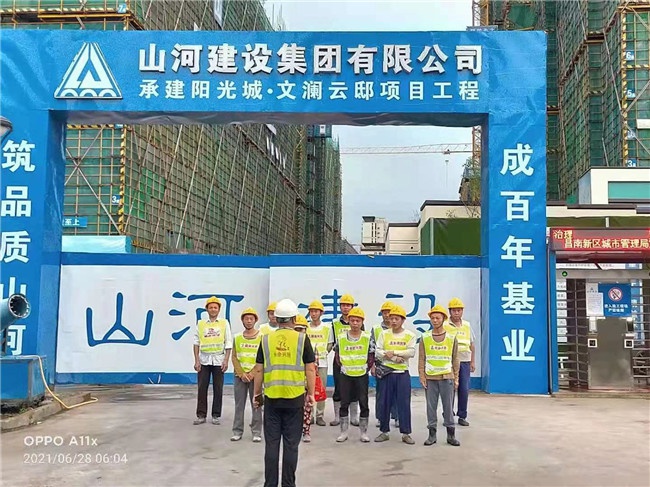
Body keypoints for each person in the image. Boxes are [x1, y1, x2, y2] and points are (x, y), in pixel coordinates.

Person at [253, 299, 316, 487]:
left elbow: (258, 369)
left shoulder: (265, 339)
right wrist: (311, 394)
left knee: (272, 445)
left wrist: (257, 395)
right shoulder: (302, 339)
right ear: (294, 319)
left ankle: (270, 484)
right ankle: (289, 484)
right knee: (291, 446)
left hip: (272, 399)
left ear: (276, 318)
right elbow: (310, 368)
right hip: (294, 399)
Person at [374, 304, 416, 444]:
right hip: (386, 373)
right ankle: (384, 431)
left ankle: (406, 433)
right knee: (384, 402)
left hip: (402, 373)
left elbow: (411, 352)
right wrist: (393, 358)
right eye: (391, 318)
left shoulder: (409, 335)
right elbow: (378, 351)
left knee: (404, 403)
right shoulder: (384, 334)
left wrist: (395, 352)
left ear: (403, 320)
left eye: (396, 319)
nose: (393, 321)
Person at [419, 305, 460, 447]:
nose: (435, 320)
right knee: (431, 408)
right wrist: (422, 376)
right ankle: (432, 434)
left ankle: (451, 434)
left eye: (438, 318)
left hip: (447, 377)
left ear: (443, 319)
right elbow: (422, 358)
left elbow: (455, 359)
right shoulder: (425, 337)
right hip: (430, 378)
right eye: (432, 318)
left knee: (448, 407)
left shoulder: (451, 338)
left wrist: (456, 378)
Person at [335, 307, 374, 443]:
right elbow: (337, 355)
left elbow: (371, 355)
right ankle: (343, 432)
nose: (355, 323)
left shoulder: (367, 337)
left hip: (361, 375)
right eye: (352, 320)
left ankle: (363, 433)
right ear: (349, 321)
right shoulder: (341, 337)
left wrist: (366, 367)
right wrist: (343, 366)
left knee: (363, 403)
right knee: (344, 403)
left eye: (358, 321)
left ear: (362, 322)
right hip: (346, 375)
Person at [192, 296, 232, 425]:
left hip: (219, 360)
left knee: (218, 388)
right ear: (207, 309)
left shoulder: (224, 323)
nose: (213, 309)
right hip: (204, 360)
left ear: (219, 309)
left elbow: (228, 342)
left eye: (215, 307)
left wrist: (226, 360)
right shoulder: (201, 324)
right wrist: (197, 360)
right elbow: (196, 343)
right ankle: (201, 415)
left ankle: (216, 415)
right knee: (202, 388)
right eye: (211, 307)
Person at [231, 307, 263, 442]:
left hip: (256, 377)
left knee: (257, 403)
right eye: (246, 319)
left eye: (251, 319)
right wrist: (241, 373)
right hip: (240, 377)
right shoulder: (237, 337)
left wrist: (253, 373)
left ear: (255, 320)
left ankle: (256, 432)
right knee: (239, 405)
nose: (249, 321)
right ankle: (237, 431)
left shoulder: (262, 337)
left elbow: (263, 358)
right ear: (242, 321)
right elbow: (234, 357)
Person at [444, 298, 476, 427]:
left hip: (465, 361)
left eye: (459, 310)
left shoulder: (467, 325)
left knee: (464, 388)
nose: (456, 313)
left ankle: (462, 415)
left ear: (462, 311)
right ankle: (448, 414)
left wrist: (472, 361)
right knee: (449, 389)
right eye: (454, 310)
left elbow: (472, 345)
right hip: (450, 361)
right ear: (450, 312)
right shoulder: (445, 325)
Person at [330, 293, 359, 427]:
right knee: (338, 388)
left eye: (348, 305)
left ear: (352, 307)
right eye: (343, 305)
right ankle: (338, 417)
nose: (346, 308)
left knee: (354, 388)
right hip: (339, 360)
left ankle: (354, 417)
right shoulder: (335, 323)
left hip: (355, 361)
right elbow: (331, 341)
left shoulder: (357, 321)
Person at [371, 301, 399, 428]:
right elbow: (372, 348)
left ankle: (397, 417)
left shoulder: (399, 329)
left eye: (389, 312)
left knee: (396, 393)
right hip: (381, 365)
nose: (387, 315)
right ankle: (381, 417)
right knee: (381, 393)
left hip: (396, 366)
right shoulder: (376, 329)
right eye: (384, 312)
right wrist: (372, 366)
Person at [306, 299, 333, 426]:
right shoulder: (306, 327)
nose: (313, 314)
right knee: (308, 389)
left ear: (321, 313)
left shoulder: (327, 328)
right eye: (311, 311)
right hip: (308, 364)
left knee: (321, 389)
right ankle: (310, 414)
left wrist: (322, 354)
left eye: (316, 311)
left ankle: (320, 415)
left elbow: (330, 344)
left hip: (322, 363)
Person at [293, 315, 314, 443]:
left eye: (301, 329)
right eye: (297, 329)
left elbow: (312, 367)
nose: (299, 332)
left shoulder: (308, 344)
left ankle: (306, 431)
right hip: (292, 383)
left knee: (307, 409)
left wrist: (311, 388)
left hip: (305, 383)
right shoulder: (290, 344)